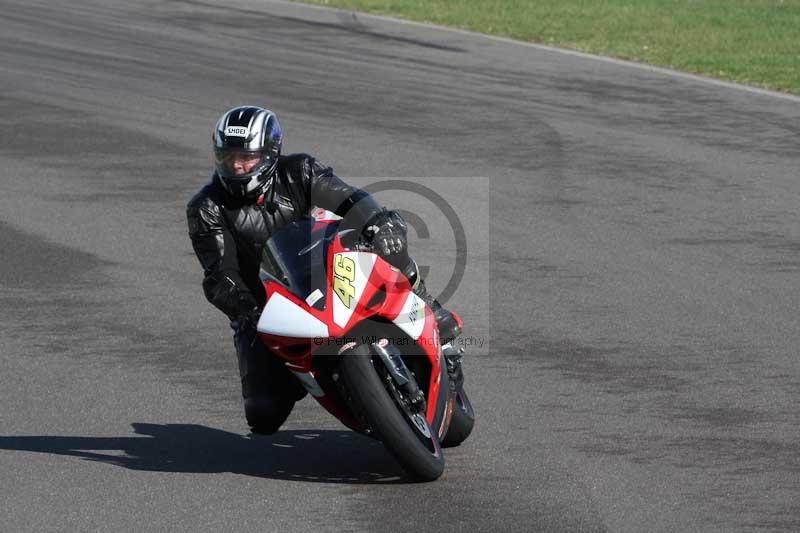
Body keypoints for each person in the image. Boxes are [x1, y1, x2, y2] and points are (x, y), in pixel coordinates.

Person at [187, 106, 462, 435]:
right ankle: (324, 380)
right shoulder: (206, 207)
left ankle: (425, 302)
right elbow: (220, 274)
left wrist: (378, 222)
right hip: (266, 304)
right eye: (229, 156)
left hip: (328, 265)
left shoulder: (299, 170)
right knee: (263, 414)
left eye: (247, 157)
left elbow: (350, 199)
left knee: (386, 239)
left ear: (270, 153)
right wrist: (245, 310)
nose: (237, 165)